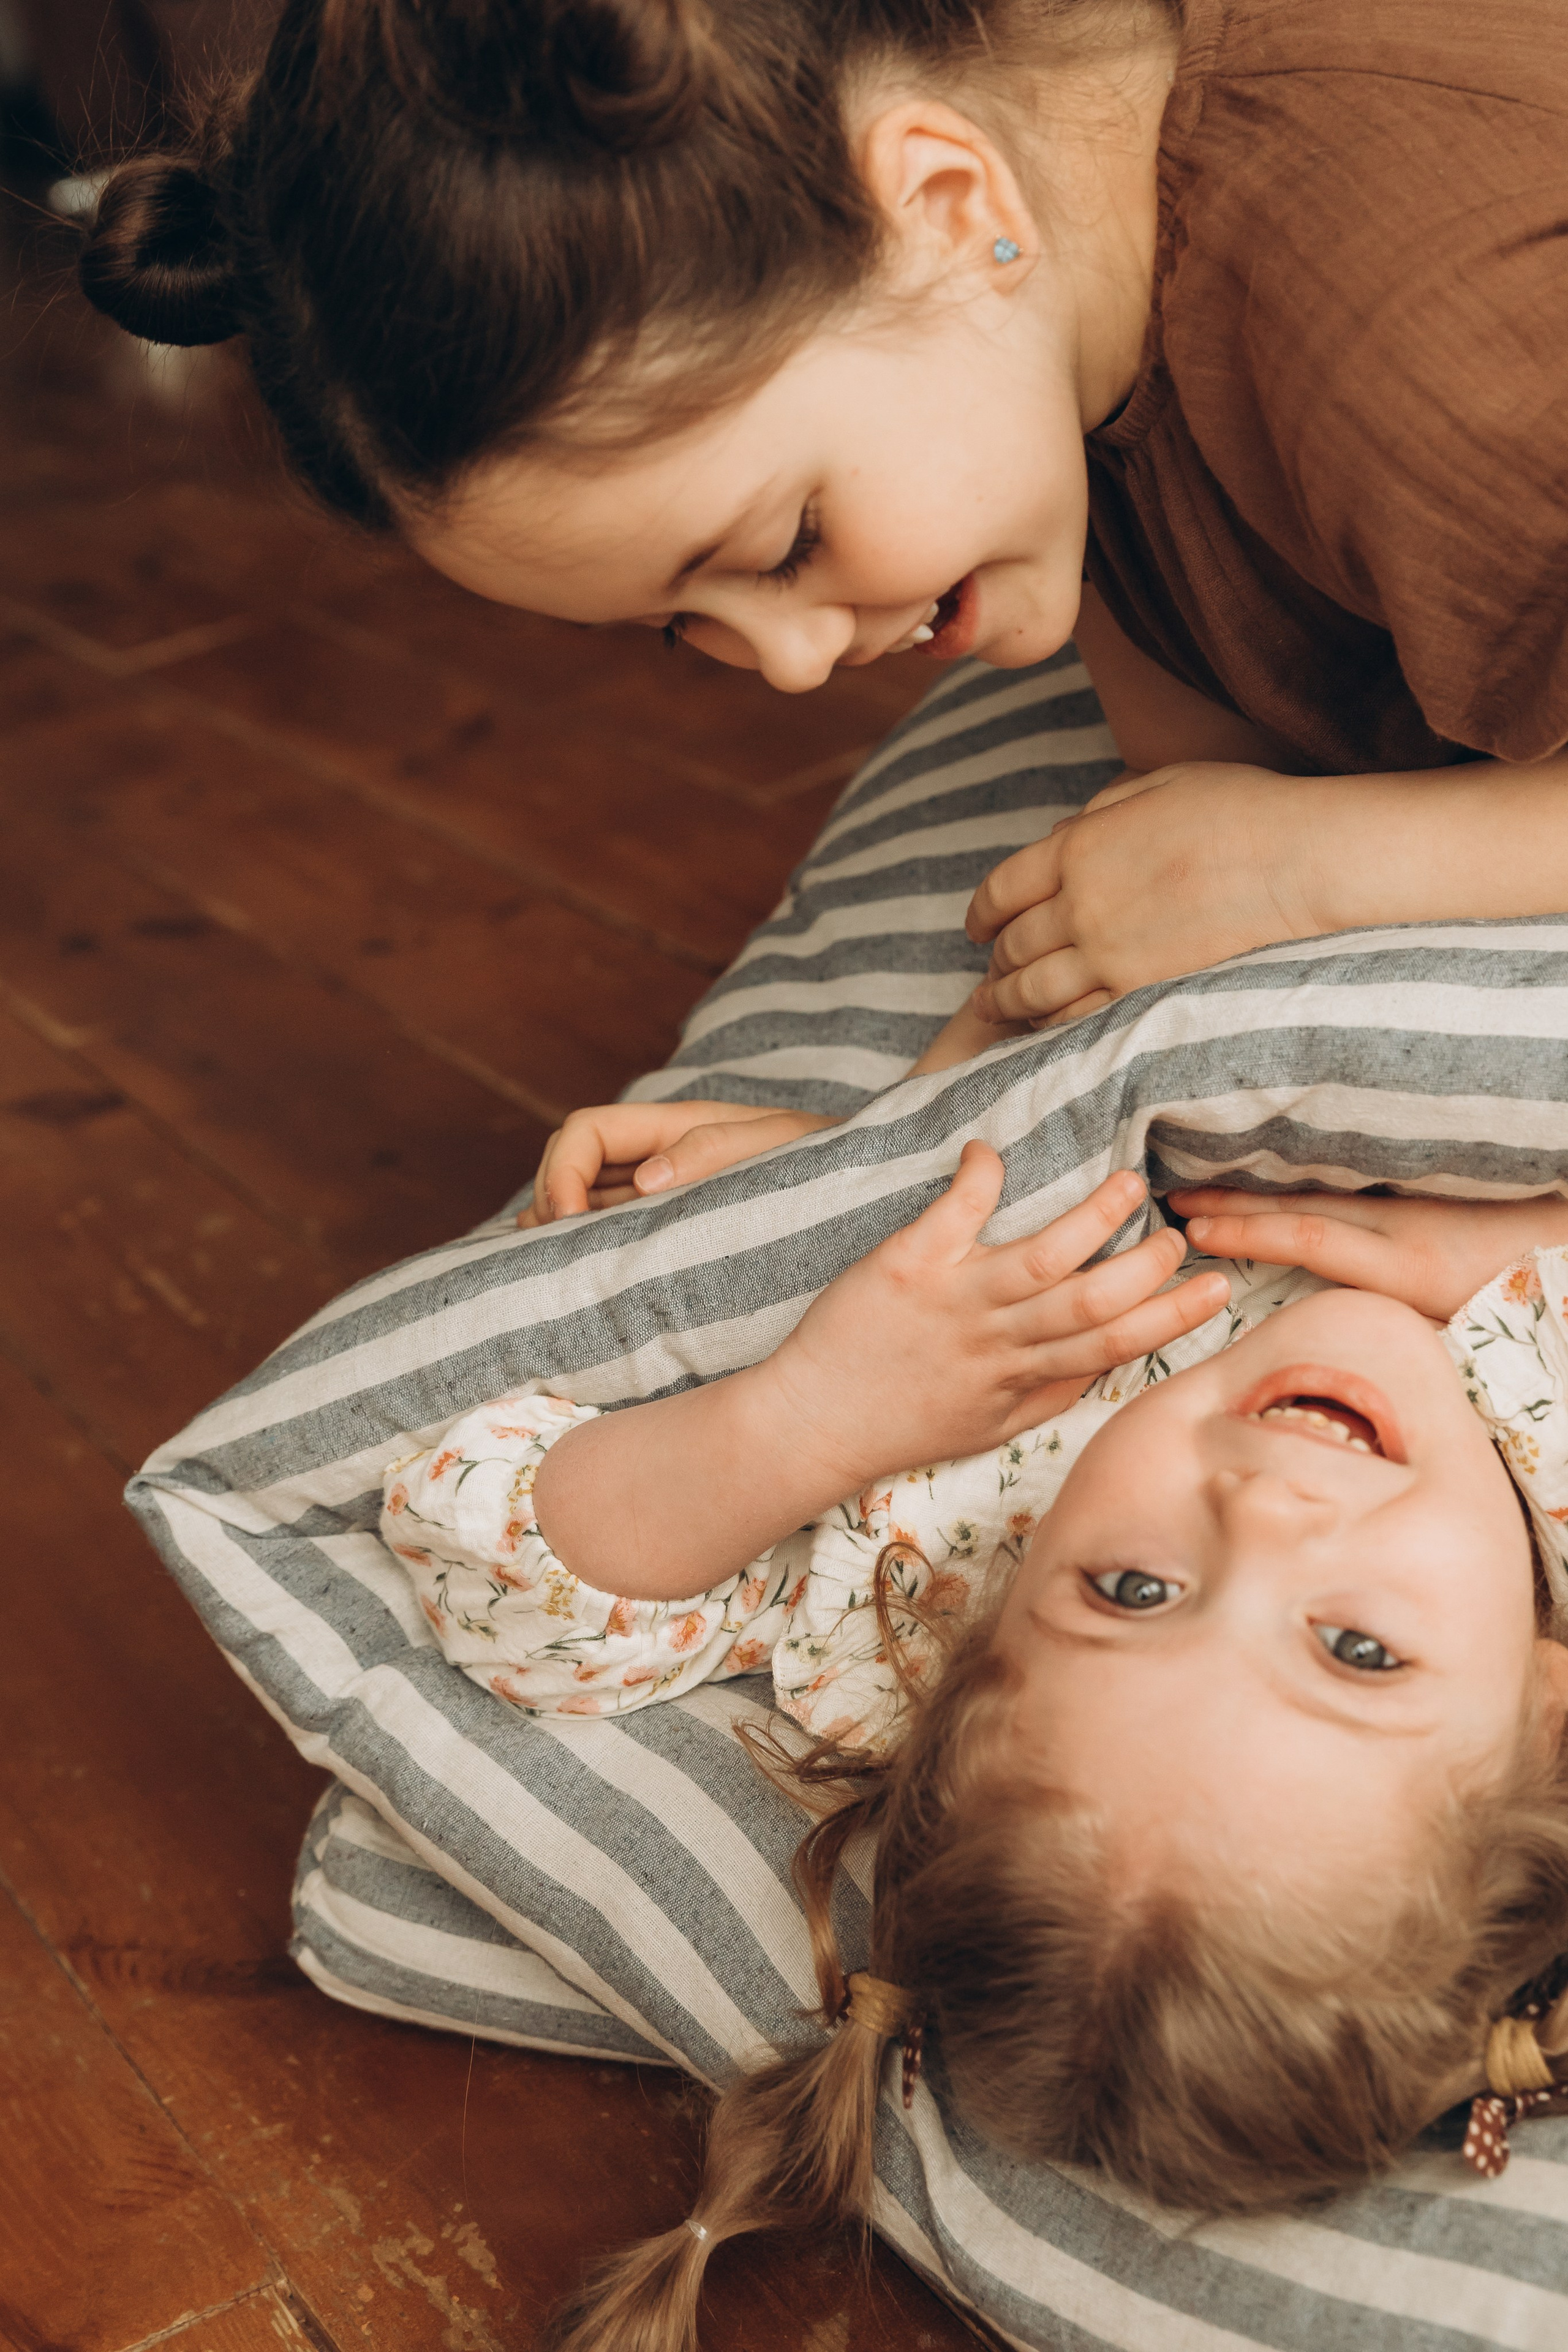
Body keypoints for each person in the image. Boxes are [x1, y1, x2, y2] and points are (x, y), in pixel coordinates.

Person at [74, 0, 1568, 1033]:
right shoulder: (1041, 327)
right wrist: (883, 1148)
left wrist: (1305, 869)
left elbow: (1246, 837)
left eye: (783, 545)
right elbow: (1194, 786)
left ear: (934, 195)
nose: (790, 668)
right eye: (683, 628)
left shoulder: (1423, 349)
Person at [383, 1136, 1568, 2352]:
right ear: (1544, 1723)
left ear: (972, 1633)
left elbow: (508, 1589)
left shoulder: (947, 1542)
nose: (1260, 1512)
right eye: (1355, 1652)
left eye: (1131, 1591)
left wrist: (802, 1403)